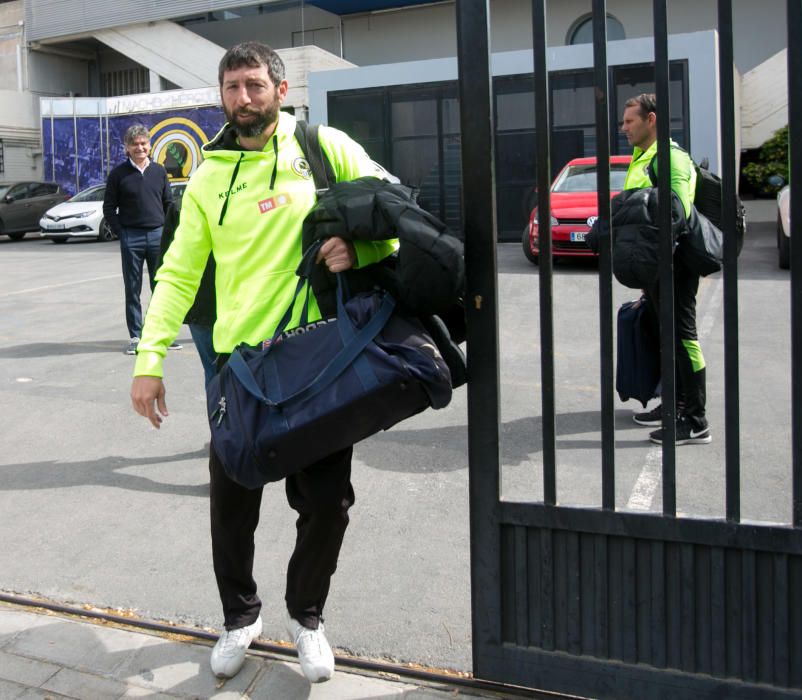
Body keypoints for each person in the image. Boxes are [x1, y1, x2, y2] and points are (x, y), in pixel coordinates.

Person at [129, 42, 396, 684]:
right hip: (238, 367)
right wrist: (149, 357)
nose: (243, 98)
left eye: (254, 85)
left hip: (319, 362)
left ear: (281, 88)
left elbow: (395, 212)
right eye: (231, 87)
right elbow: (178, 271)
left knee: (327, 504)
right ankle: (239, 618)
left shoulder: (324, 147)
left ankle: (307, 618)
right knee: (231, 505)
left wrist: (360, 252)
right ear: (221, 96)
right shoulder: (208, 176)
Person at [620, 93, 710, 445]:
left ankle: (696, 420)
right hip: (653, 267)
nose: (624, 127)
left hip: (675, 264)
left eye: (630, 121)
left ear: (651, 119)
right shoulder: (644, 157)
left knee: (683, 337)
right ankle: (674, 404)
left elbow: (677, 212)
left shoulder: (670, 158)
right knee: (664, 335)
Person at [103, 124, 181, 355]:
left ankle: (161, 334)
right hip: (132, 238)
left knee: (161, 288)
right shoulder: (118, 174)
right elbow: (109, 208)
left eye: (143, 143)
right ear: (127, 148)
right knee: (133, 289)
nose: (140, 147)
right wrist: (122, 232)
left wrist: (171, 231)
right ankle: (136, 336)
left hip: (158, 236)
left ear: (149, 145)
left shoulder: (159, 171)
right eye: (134, 144)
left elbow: (169, 204)